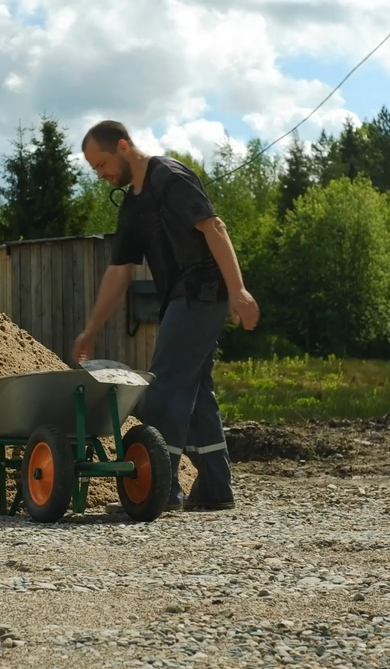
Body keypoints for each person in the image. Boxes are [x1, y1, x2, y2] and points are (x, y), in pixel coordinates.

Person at [73, 120, 259, 511]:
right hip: (180, 297)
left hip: (202, 292)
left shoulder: (169, 177)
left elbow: (214, 227)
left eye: (101, 163)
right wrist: (91, 330)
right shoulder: (133, 203)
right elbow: (119, 271)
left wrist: (237, 290)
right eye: (94, 169)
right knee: (197, 394)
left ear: (123, 146)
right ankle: (214, 487)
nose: (101, 174)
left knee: (166, 387)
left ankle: (160, 488)